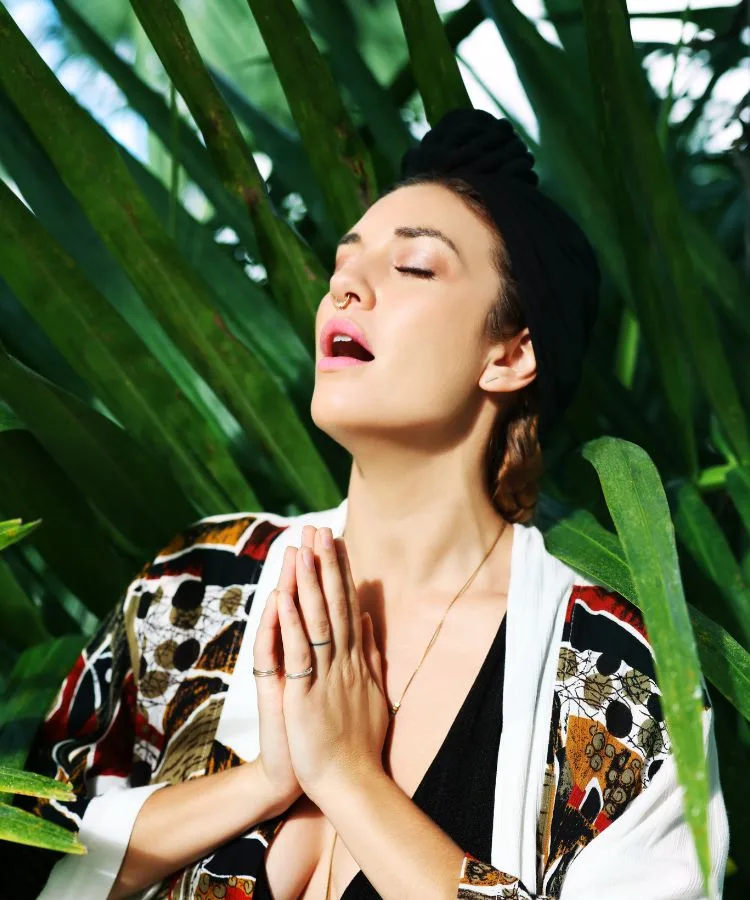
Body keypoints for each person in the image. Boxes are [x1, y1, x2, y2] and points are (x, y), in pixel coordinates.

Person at [9, 109, 728, 900]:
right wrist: (266, 781)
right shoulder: (197, 587)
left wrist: (349, 777)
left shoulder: (614, 680)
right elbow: (29, 842)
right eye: (343, 264)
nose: (344, 287)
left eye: (414, 267)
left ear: (512, 353)